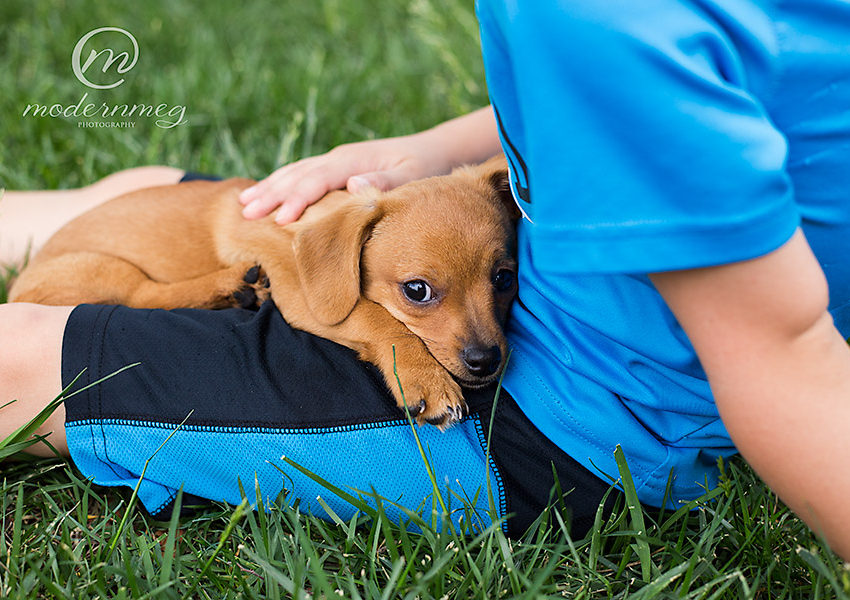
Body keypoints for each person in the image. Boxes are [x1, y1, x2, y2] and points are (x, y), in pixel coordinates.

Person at [3, 1, 850, 555]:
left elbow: (784, 355)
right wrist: (424, 158)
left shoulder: (601, 20)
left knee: (16, 350)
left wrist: (406, 316)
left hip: (564, 433)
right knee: (135, 194)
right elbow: (602, 96)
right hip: (562, 300)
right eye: (424, 295)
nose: (481, 330)